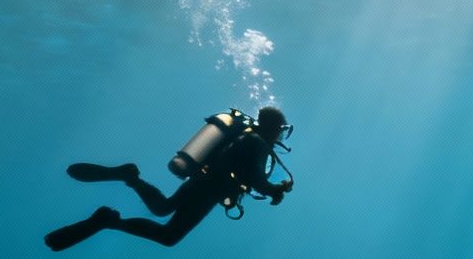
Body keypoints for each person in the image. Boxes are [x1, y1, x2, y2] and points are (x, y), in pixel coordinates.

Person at [44, 106, 295, 251]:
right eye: (282, 131)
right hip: (210, 190)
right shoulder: (258, 142)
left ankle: (129, 177)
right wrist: (274, 191)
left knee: (162, 208)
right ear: (272, 127)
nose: (280, 137)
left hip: (202, 181)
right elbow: (256, 178)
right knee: (169, 236)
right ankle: (109, 220)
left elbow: (247, 174)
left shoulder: (248, 137)